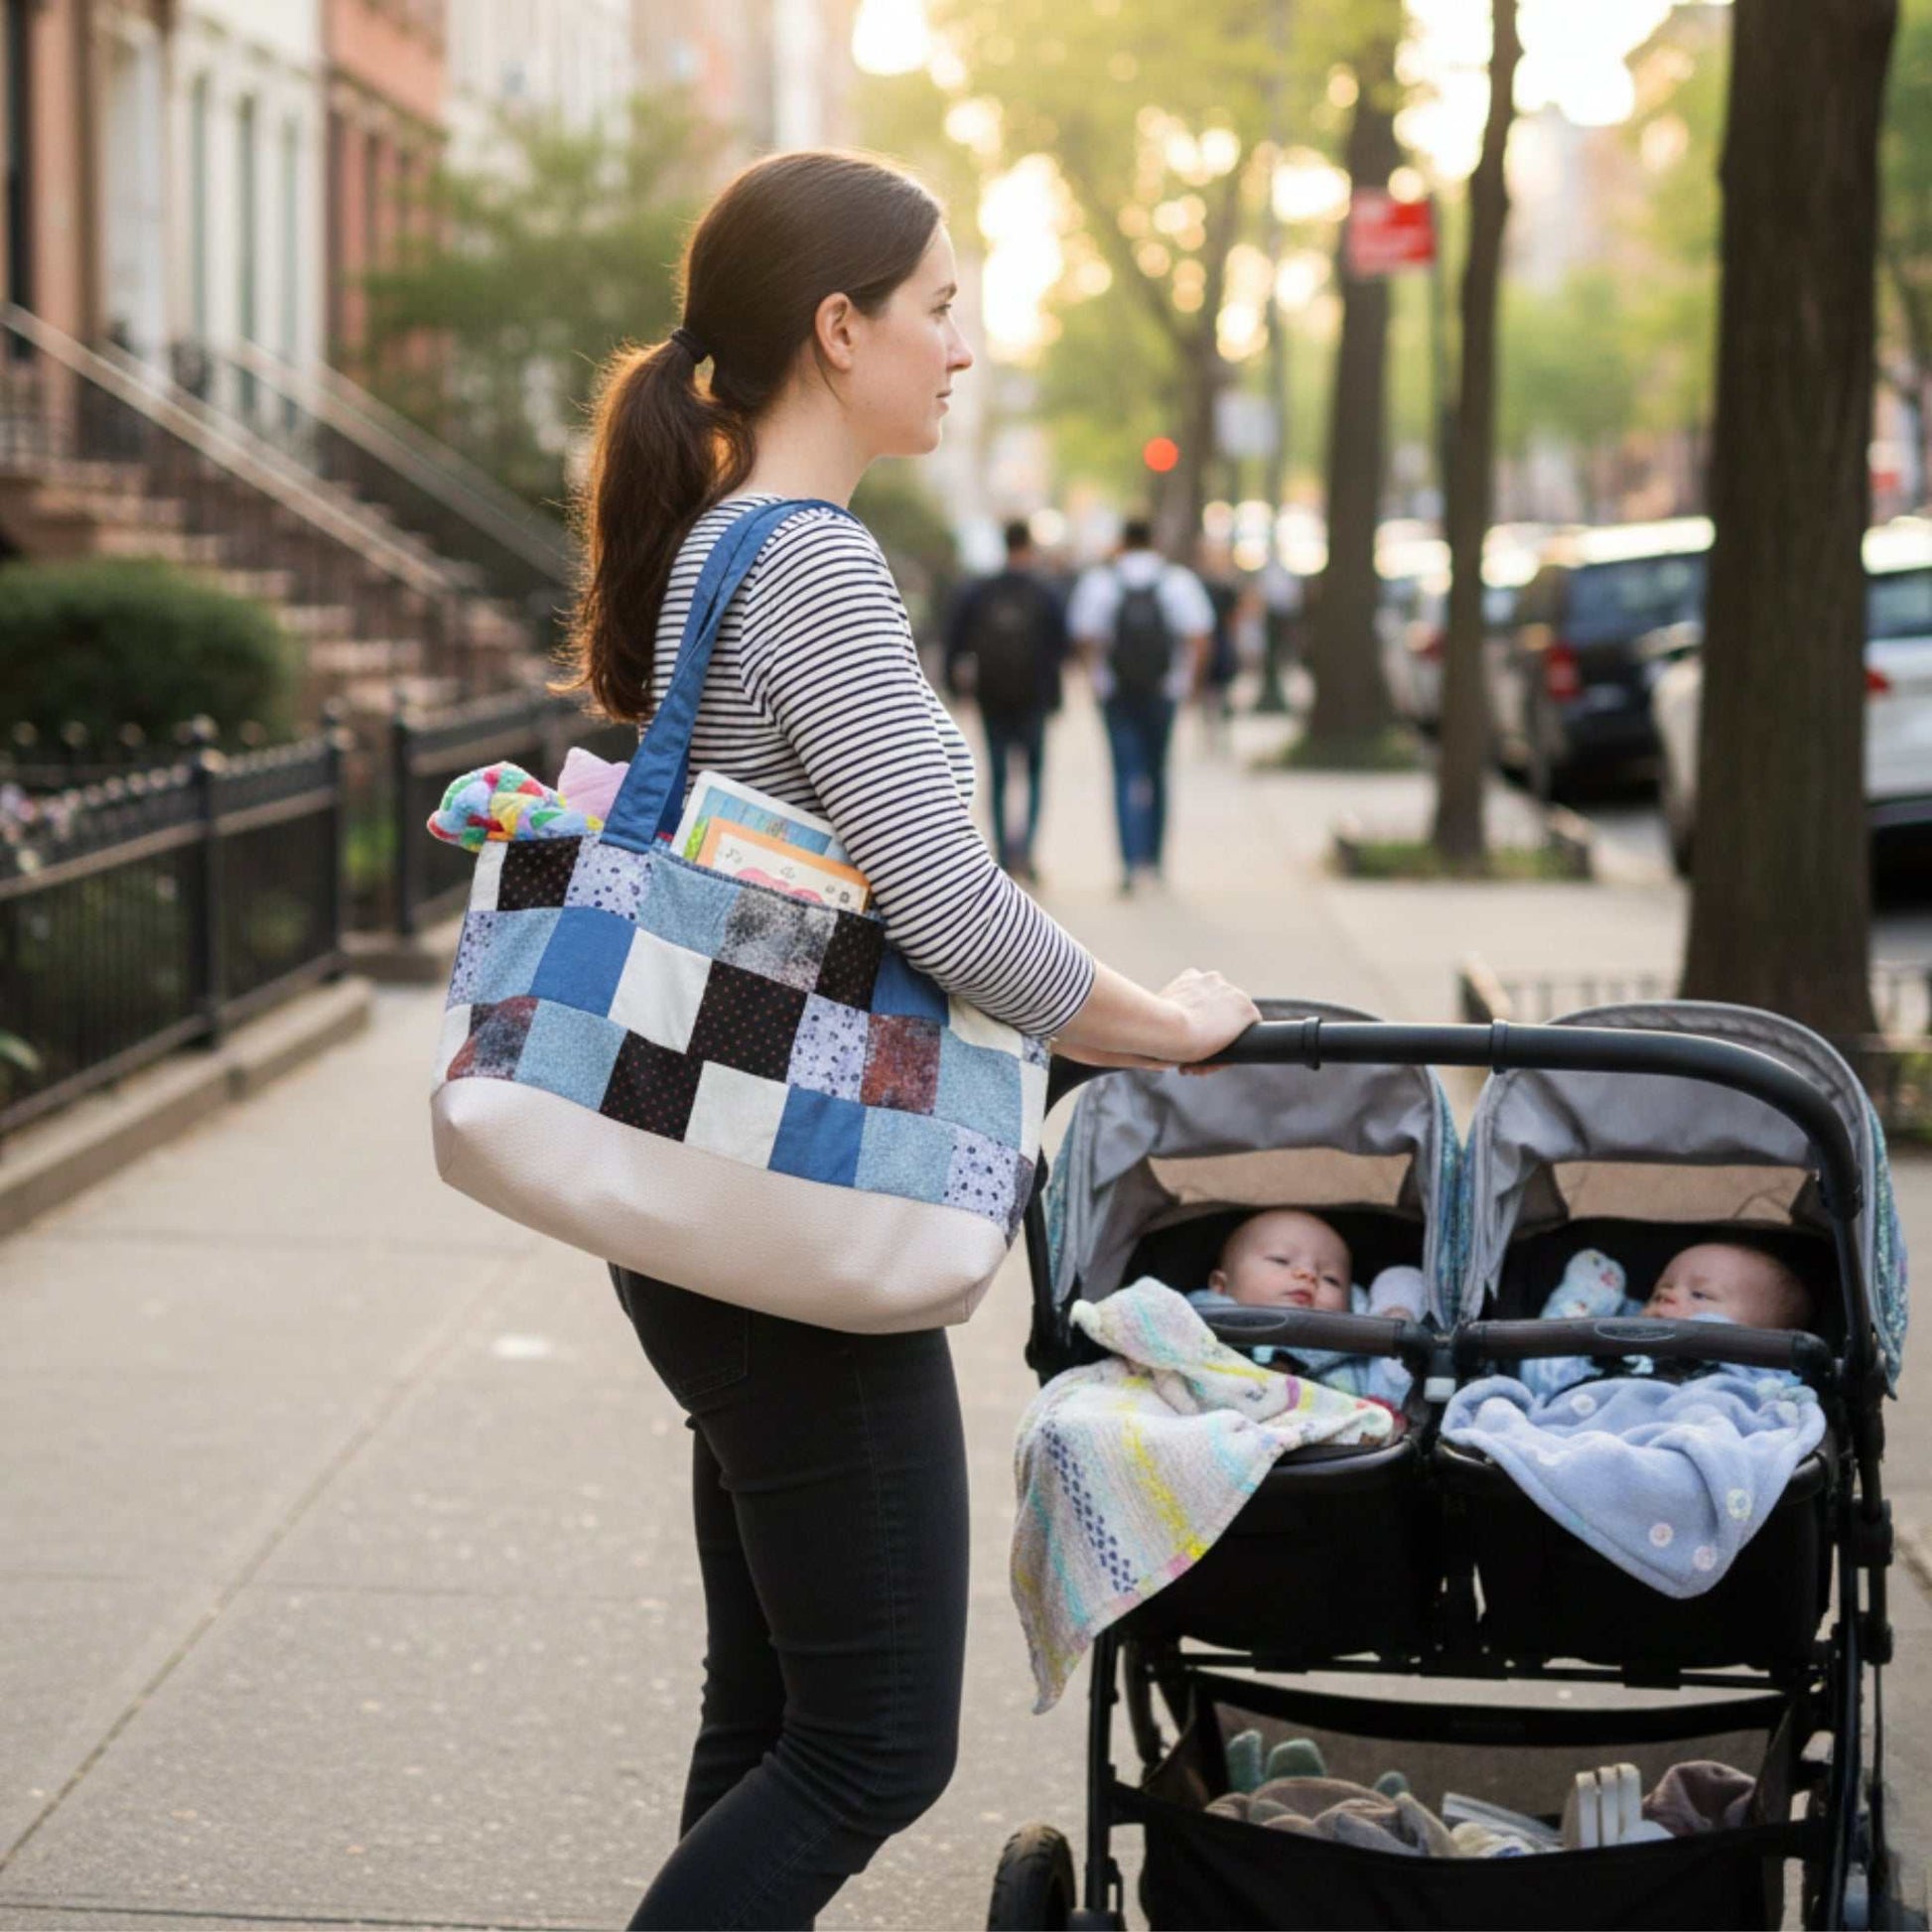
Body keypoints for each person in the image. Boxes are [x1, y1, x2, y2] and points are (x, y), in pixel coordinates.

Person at [555, 149, 1260, 1929]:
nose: (964, 346)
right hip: (795, 1226)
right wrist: (1162, 1026)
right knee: (874, 1748)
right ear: (838, 325)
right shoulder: (812, 569)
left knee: (778, 1715)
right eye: (940, 308)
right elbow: (952, 913)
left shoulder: (722, 547)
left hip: (719, 1199)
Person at [1068, 516, 1214, 894]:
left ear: (1122, 541)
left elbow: (1084, 635)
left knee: (1123, 774)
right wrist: (1192, 687)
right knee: (1158, 772)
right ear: (1154, 540)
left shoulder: (1101, 581)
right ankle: (1155, 859)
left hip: (1115, 693)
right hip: (1165, 691)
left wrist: (1094, 677)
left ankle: (1129, 863)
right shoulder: (1177, 581)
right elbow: (1199, 637)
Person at [1180, 1206, 1426, 1405]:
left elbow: (1404, 1278)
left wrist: (1395, 1313)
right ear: (1221, 1285)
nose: (1308, 1274)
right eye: (1281, 1260)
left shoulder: (1363, 1346)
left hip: (1337, 1454)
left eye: (1331, 1279)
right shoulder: (1190, 1321)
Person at [1519, 1240, 1814, 1399]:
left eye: (1700, 1295)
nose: (1667, 1297)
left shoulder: (1761, 1373)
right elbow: (1544, 1380)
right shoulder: (1616, 1347)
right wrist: (1587, 1299)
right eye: (1660, 1291)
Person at [943, 517, 1068, 881]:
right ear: (1029, 546)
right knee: (1032, 776)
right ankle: (1025, 851)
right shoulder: (1046, 591)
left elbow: (956, 639)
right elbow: (1062, 646)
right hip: (1035, 696)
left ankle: (999, 851)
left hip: (992, 695)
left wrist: (957, 686)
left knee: (997, 776)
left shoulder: (982, 589)